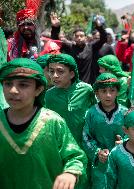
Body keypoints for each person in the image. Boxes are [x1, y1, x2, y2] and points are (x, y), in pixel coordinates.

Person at [0, 58, 87, 189]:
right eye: (8, 84)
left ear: (39, 89)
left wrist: (70, 173)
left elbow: (75, 156)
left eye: (23, 85)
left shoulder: (52, 121)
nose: (13, 90)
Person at [82, 73, 128, 189]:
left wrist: (125, 144)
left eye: (112, 91)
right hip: (100, 164)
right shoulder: (91, 113)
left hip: (122, 163)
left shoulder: (125, 113)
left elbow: (133, 135)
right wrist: (98, 152)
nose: (108, 95)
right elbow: (86, 137)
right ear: (97, 93)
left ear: (117, 92)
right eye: (103, 91)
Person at [45, 53, 95, 144]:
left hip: (84, 143)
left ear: (72, 74)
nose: (55, 75)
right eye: (51, 71)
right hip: (60, 144)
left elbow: (97, 112)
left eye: (60, 71)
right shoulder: (48, 95)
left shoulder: (86, 90)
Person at [50, 13, 108, 84]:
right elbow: (56, 41)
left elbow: (103, 39)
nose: (79, 38)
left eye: (81, 36)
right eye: (77, 36)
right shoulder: (70, 47)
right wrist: (55, 27)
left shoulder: (91, 47)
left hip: (88, 85)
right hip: (72, 84)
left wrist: (99, 27)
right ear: (73, 38)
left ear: (86, 37)